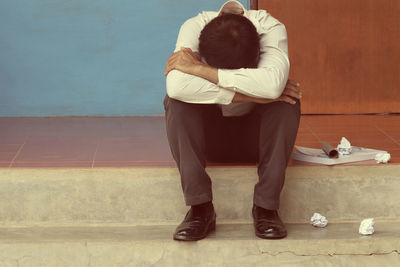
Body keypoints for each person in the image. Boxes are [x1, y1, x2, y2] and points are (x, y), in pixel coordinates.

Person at [163, 0, 302, 241]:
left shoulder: (270, 28)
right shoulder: (193, 27)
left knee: (285, 102)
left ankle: (266, 208)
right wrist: (253, 94)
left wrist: (200, 70)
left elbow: (271, 87)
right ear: (203, 53)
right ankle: (200, 209)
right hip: (210, 140)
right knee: (177, 103)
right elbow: (176, 87)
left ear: (258, 51)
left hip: (257, 141)